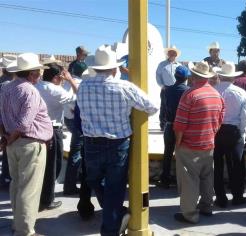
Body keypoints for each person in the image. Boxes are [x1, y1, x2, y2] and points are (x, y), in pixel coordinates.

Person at [77, 45, 158, 235]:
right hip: (118, 143)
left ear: (95, 67)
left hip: (91, 142)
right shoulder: (124, 87)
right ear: (115, 68)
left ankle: (114, 218)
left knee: (94, 180)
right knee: (115, 187)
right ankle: (112, 224)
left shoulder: (83, 86)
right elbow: (152, 107)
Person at [0, 53, 53, 236]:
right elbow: (24, 123)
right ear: (31, 74)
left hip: (14, 143)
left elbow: (3, 117)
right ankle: (24, 231)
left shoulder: (6, 88)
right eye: (38, 72)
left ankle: (19, 224)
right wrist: (10, 138)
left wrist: (6, 139)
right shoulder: (29, 91)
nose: (40, 75)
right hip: (29, 142)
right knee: (29, 189)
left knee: (17, 185)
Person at [173, 61, 224, 224]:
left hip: (190, 145)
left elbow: (180, 125)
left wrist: (177, 145)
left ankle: (189, 214)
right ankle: (207, 207)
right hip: (208, 144)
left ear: (193, 76)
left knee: (189, 181)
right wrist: (211, 134)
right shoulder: (217, 95)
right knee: (207, 177)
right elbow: (220, 120)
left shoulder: (189, 95)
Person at [35, 64, 78, 211]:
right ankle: (47, 199)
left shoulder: (38, 86)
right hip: (53, 129)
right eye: (60, 77)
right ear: (55, 77)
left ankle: (40, 196)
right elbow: (77, 96)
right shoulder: (55, 90)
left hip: (38, 129)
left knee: (43, 165)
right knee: (54, 165)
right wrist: (71, 80)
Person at [213, 62, 246, 208]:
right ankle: (237, 196)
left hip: (217, 131)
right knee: (236, 166)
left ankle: (220, 198)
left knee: (217, 166)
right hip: (234, 132)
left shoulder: (213, 91)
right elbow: (245, 118)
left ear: (220, 76)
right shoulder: (241, 93)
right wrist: (241, 133)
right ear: (233, 78)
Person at [156, 65, 190, 189]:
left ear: (175, 76)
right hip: (185, 127)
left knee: (168, 153)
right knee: (184, 154)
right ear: (186, 77)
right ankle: (182, 181)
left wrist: (162, 122)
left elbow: (163, 108)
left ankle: (165, 180)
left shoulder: (166, 90)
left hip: (170, 125)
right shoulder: (189, 91)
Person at [63, 61, 87, 195]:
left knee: (78, 151)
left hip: (69, 119)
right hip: (76, 121)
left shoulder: (69, 81)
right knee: (76, 153)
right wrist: (75, 109)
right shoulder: (78, 83)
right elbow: (73, 100)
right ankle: (70, 185)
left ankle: (72, 182)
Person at [0, 54, 16, 188]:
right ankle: (6, 177)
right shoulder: (7, 84)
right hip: (5, 120)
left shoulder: (2, 81)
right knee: (8, 148)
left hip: (2, 119)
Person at [156, 45, 181, 130]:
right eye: (170, 52)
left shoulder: (179, 65)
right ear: (168, 53)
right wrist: (162, 86)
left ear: (176, 54)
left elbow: (183, 78)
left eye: (174, 52)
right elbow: (158, 76)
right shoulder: (162, 64)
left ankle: (174, 124)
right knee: (164, 106)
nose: (172, 54)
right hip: (166, 89)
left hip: (176, 90)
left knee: (175, 107)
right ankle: (163, 125)